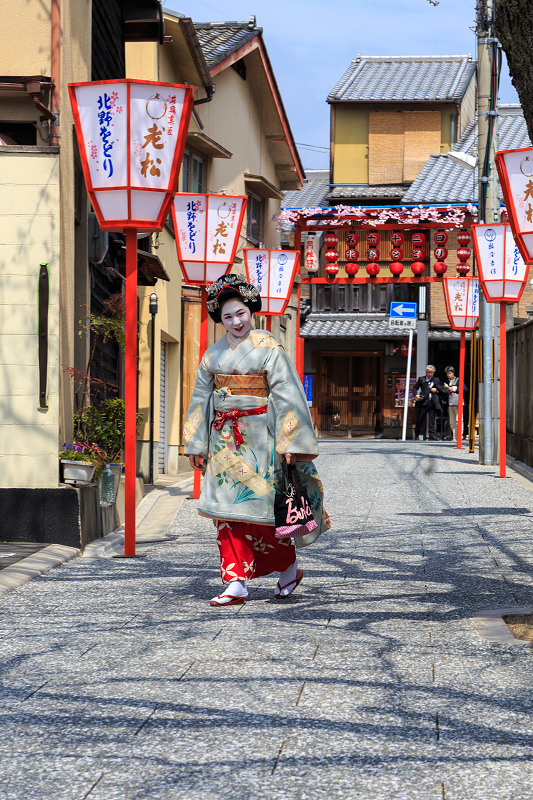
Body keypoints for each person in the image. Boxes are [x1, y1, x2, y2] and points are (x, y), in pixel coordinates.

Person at [183, 274, 329, 607]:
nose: (236, 321)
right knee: (226, 512)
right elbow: (200, 399)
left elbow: (288, 394)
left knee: (262, 510)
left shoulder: (268, 347)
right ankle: (234, 581)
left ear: (252, 311)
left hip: (261, 438)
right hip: (224, 441)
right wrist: (195, 443)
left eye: (241, 313)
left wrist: (290, 443)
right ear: (220, 319)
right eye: (228, 316)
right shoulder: (212, 355)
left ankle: (289, 567)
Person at [413, 364, 447, 440]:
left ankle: (432, 434)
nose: (430, 374)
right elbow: (415, 388)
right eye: (428, 372)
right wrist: (416, 395)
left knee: (432, 419)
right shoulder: (422, 379)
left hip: (433, 401)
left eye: (431, 372)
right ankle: (418, 434)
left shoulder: (436, 380)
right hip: (424, 401)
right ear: (426, 372)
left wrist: (436, 390)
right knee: (420, 418)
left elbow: (442, 390)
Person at [443, 366, 467, 442]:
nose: (448, 375)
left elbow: (465, 389)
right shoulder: (446, 381)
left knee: (459, 420)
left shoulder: (458, 380)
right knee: (452, 421)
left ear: (453, 373)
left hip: (458, 402)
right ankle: (454, 436)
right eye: (447, 374)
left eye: (450, 373)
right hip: (450, 402)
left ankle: (459, 436)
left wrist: (455, 388)